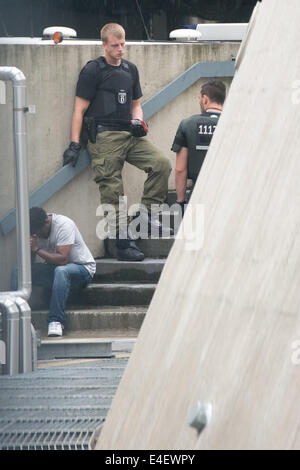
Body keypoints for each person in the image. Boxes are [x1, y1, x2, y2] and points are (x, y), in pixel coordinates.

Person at [63, 23, 173, 262]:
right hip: (103, 136)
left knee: (161, 163)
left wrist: (137, 121)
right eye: (115, 45)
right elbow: (79, 109)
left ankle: (146, 217)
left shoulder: (130, 69)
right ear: (104, 44)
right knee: (113, 188)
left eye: (123, 44)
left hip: (129, 134)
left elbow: (136, 105)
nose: (121, 49)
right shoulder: (93, 70)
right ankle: (121, 242)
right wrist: (74, 144)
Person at [12, 207, 96, 337]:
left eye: (38, 232)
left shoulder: (64, 225)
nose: (37, 236)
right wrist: (29, 249)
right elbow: (29, 265)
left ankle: (56, 320)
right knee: (18, 272)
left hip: (82, 270)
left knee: (61, 270)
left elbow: (63, 259)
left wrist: (36, 248)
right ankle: (15, 318)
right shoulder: (33, 229)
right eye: (33, 233)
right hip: (55, 270)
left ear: (46, 223)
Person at [171, 80, 226, 209]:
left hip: (199, 195)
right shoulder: (236, 123)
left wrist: (181, 202)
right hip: (228, 193)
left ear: (205, 99)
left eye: (199, 98)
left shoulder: (187, 124)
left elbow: (180, 169)